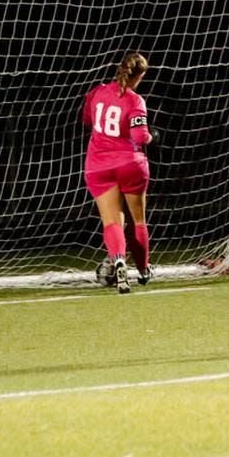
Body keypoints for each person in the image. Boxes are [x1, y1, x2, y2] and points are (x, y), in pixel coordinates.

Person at [83, 52, 154, 294]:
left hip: (98, 165)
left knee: (112, 221)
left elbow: (87, 118)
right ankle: (144, 271)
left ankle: (119, 260)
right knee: (137, 220)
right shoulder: (135, 101)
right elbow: (139, 137)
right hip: (129, 164)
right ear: (140, 75)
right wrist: (151, 136)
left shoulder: (98, 92)